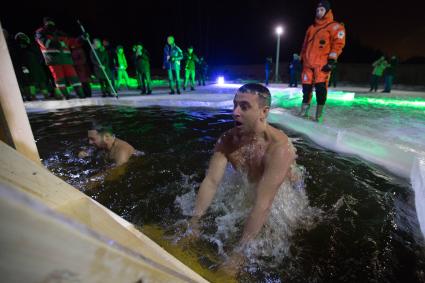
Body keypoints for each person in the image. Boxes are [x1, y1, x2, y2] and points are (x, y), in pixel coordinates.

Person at [188, 83, 297, 274]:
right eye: (234, 105)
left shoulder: (278, 148)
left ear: (263, 112)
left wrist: (239, 254)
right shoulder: (227, 140)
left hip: (279, 195)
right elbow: (211, 181)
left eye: (244, 107)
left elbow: (264, 203)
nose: (235, 112)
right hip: (253, 186)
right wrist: (194, 222)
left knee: (273, 237)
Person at [299, 1, 346, 122]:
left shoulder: (335, 27)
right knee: (306, 89)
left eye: (322, 10)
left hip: (322, 64)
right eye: (317, 10)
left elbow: (338, 44)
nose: (319, 12)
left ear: (327, 11)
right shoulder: (311, 28)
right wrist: (302, 58)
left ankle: (318, 115)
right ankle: (303, 111)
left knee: (320, 89)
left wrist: (331, 61)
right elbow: (304, 45)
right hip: (307, 64)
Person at [35, 17, 84, 99]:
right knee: (59, 79)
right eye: (49, 22)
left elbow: (72, 43)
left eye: (52, 22)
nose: (51, 24)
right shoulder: (41, 32)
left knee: (74, 78)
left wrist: (81, 38)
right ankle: (65, 96)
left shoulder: (60, 33)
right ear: (45, 23)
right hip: (54, 59)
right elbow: (44, 43)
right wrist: (58, 43)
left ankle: (81, 95)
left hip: (66, 59)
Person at [13, 32, 50, 100]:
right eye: (20, 37)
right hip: (27, 66)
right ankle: (33, 96)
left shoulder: (31, 45)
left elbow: (38, 53)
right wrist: (23, 66)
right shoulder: (18, 47)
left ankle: (45, 94)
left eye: (23, 36)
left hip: (37, 65)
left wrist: (41, 61)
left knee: (41, 80)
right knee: (31, 81)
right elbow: (19, 58)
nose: (23, 38)